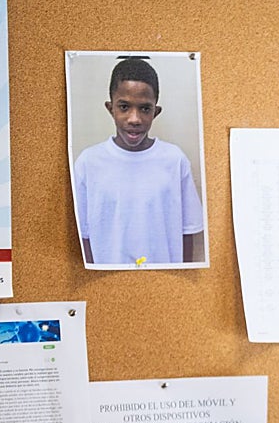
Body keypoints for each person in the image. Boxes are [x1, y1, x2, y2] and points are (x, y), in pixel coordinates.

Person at [72, 56, 205, 266]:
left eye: (144, 109)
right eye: (124, 107)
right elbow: (83, 236)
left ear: (156, 111)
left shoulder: (174, 160)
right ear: (110, 108)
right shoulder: (88, 163)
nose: (134, 119)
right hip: (109, 286)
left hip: (163, 285)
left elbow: (188, 231)